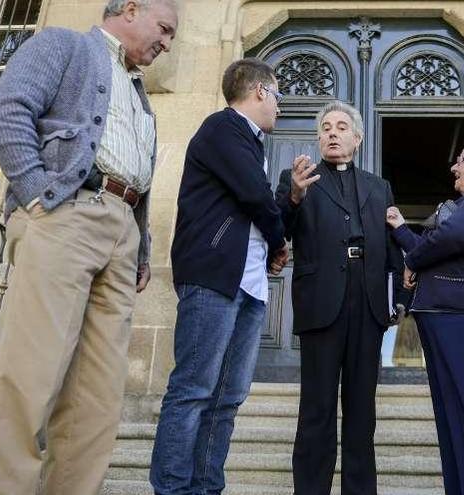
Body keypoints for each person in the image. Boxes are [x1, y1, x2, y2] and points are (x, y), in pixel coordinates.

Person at [0, 1, 178, 493]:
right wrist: (38, 195)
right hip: (65, 216)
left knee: (97, 398)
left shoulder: (137, 92)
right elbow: (7, 109)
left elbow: (135, 175)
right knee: (30, 378)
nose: (167, 43)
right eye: (164, 29)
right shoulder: (63, 44)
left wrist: (141, 249)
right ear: (130, 9)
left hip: (121, 235)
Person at [149, 58, 288, 495]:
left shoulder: (252, 142)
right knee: (193, 389)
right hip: (212, 279)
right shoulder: (222, 127)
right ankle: (172, 489)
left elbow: (260, 203)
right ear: (261, 91)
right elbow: (253, 194)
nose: (280, 108)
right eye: (278, 96)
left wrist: (289, 206)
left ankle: (206, 488)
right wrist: (281, 241)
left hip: (248, 284)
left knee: (228, 398)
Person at [274, 100, 406, 495]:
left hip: (367, 305)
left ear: (358, 138)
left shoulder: (379, 187)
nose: (332, 133)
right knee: (317, 409)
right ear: (318, 137)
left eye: (341, 127)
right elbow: (278, 230)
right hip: (321, 303)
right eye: (326, 127)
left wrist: (397, 297)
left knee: (362, 412)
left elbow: (392, 247)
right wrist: (294, 196)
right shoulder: (296, 179)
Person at [385, 137, 464, 495]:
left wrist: (412, 259)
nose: (454, 168)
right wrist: (401, 231)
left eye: (461, 160)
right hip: (446, 315)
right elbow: (436, 250)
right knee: (453, 423)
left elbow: (452, 236)